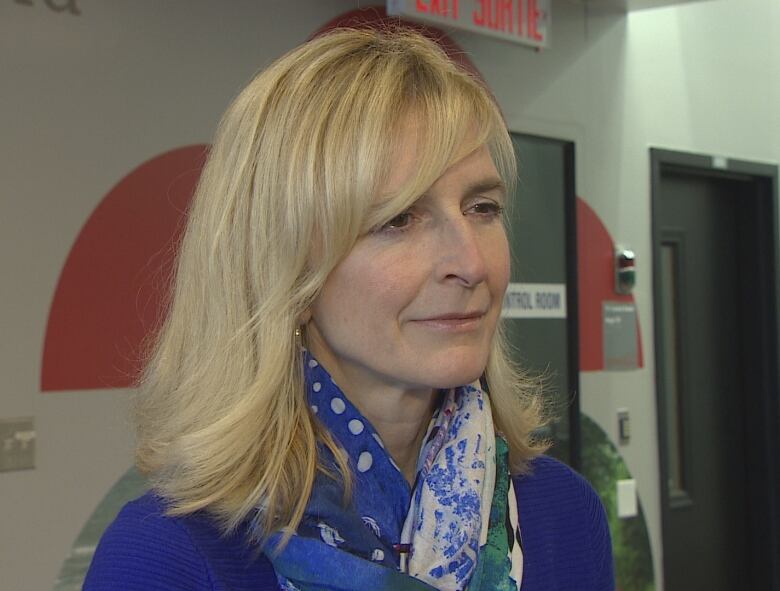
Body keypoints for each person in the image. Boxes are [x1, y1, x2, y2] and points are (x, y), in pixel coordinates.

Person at [84, 27, 614, 591]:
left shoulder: (561, 514)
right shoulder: (170, 557)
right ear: (288, 271)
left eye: (481, 207)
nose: (471, 262)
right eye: (399, 218)